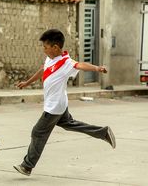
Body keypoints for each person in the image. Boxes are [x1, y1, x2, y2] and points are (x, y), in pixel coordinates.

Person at [13, 29, 116, 176]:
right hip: (59, 104)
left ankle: (27, 166)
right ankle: (103, 132)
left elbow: (80, 65)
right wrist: (27, 82)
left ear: (55, 47)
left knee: (38, 132)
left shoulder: (66, 62)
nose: (44, 50)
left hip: (54, 106)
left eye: (46, 47)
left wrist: (97, 68)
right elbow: (43, 69)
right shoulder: (50, 58)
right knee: (70, 124)